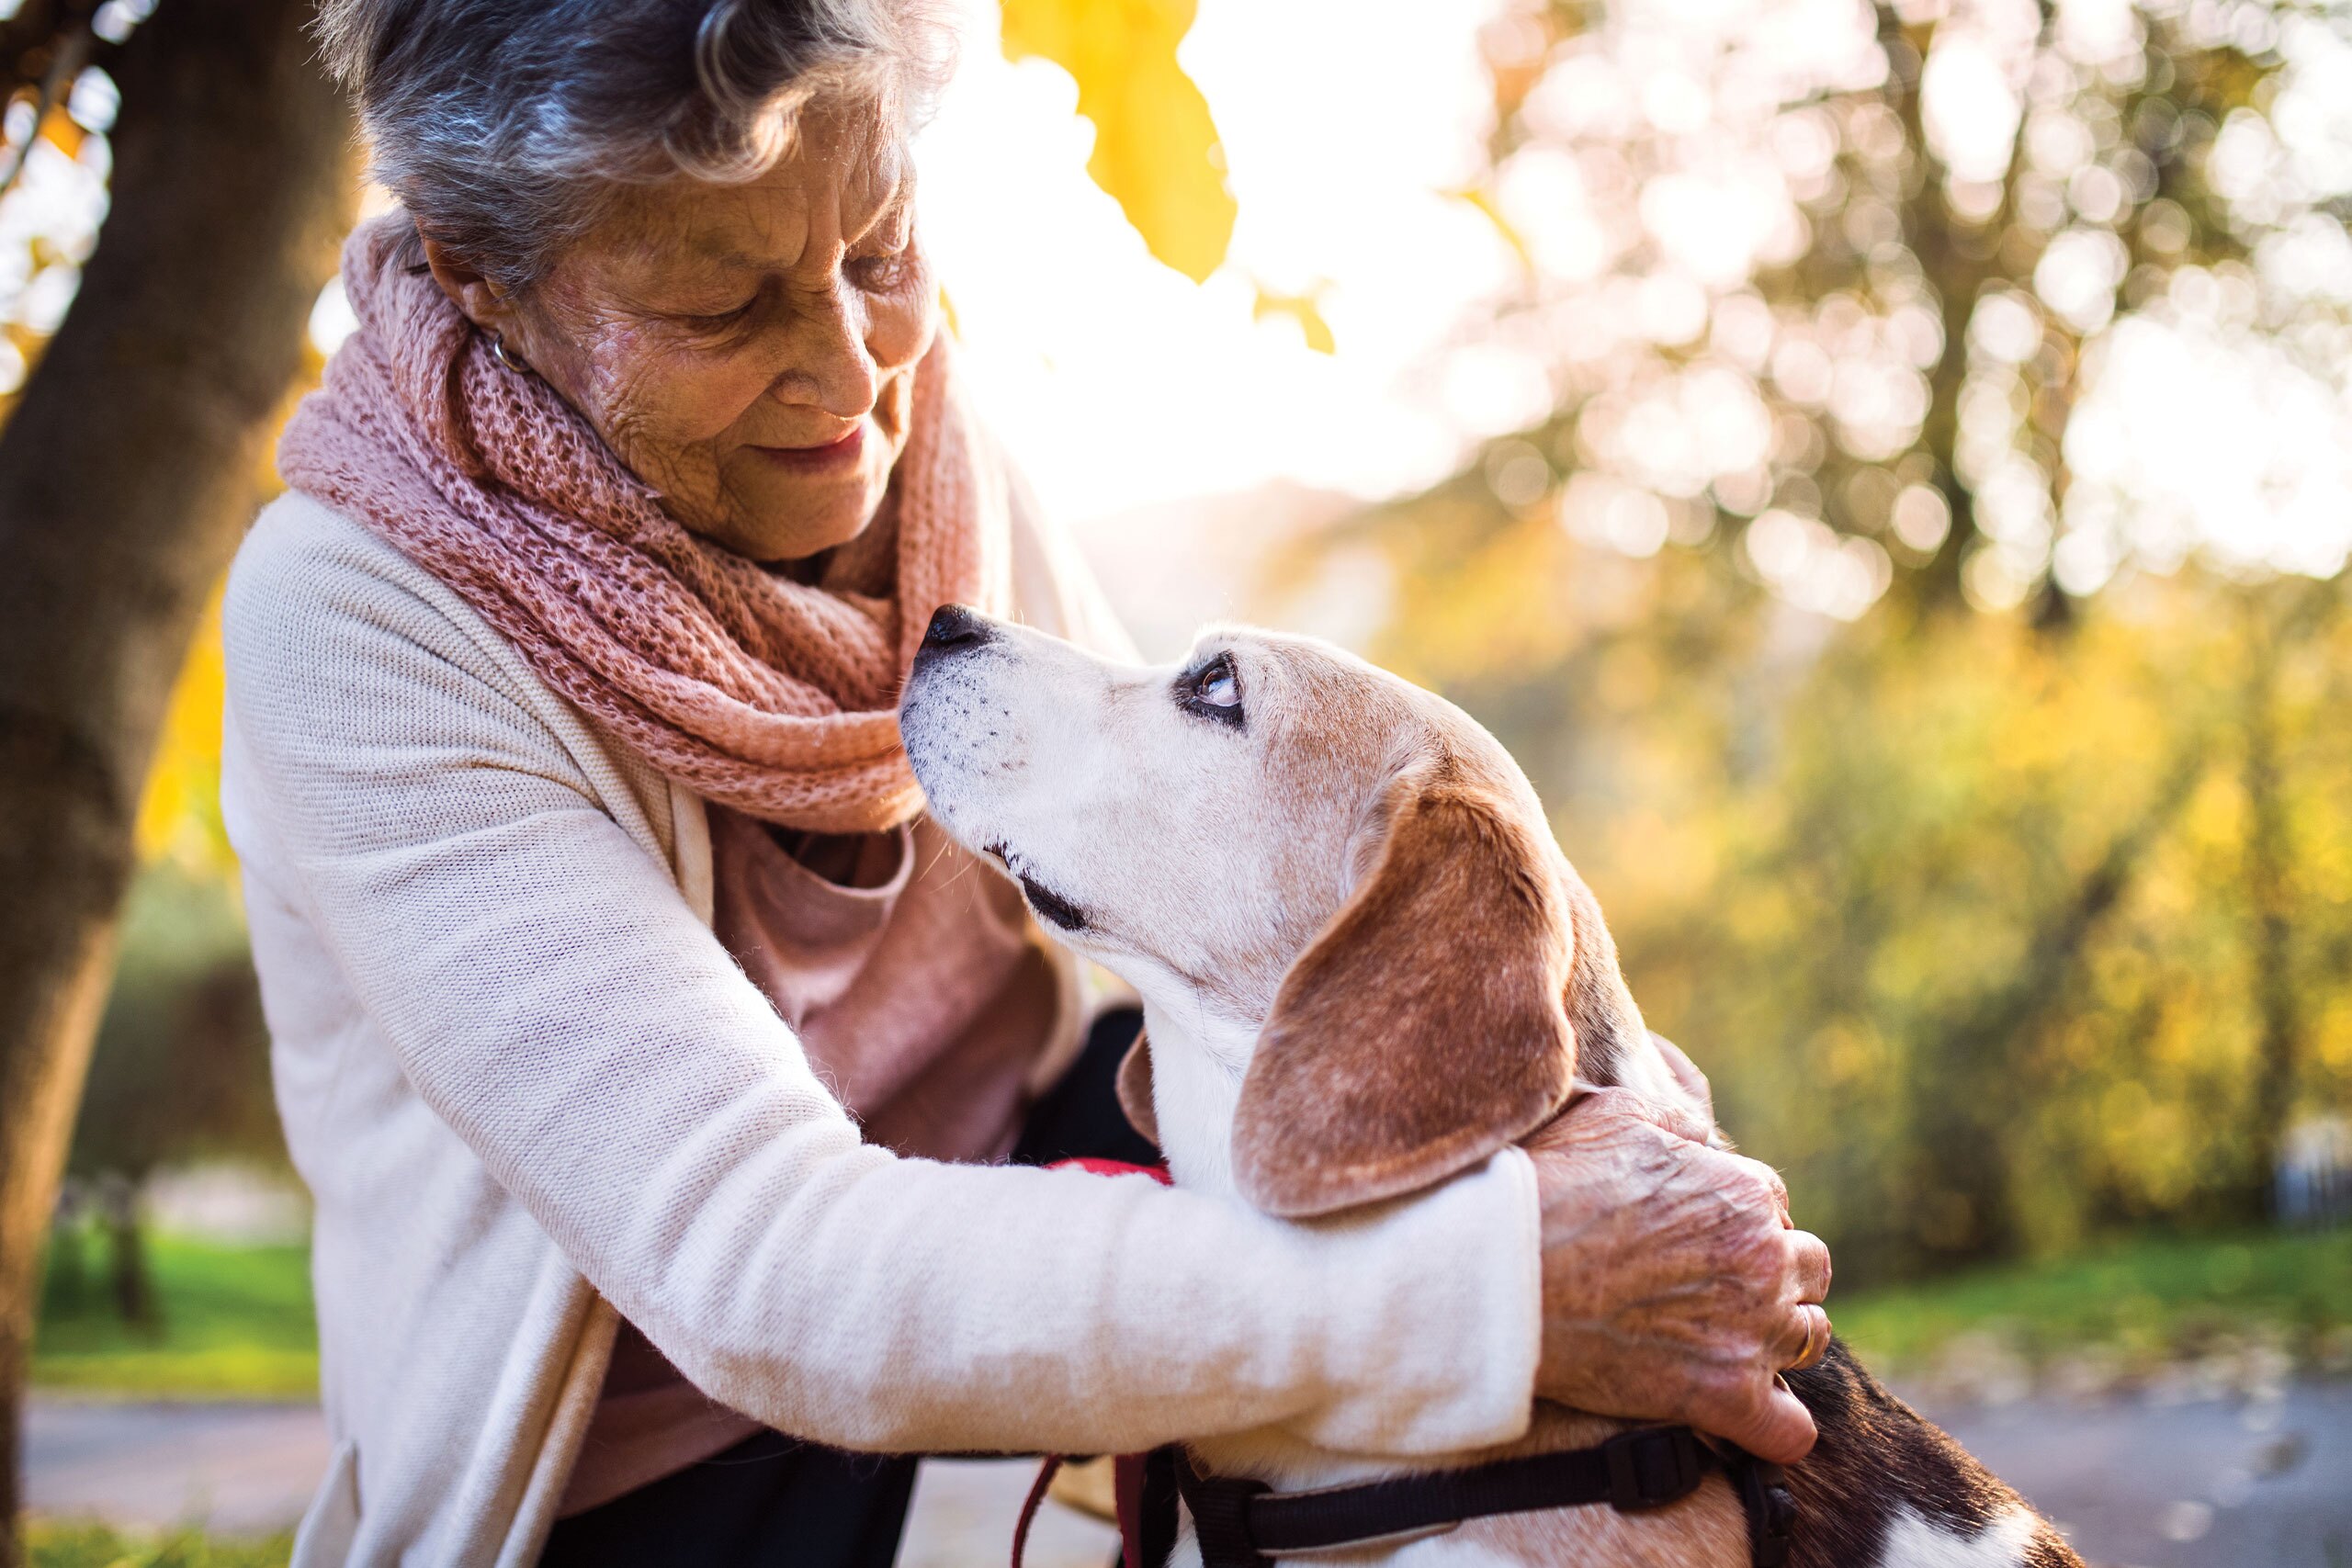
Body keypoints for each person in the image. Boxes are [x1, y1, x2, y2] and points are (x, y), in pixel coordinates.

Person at [220, 2, 1834, 1562]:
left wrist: (1623, 1159)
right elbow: (761, 1267)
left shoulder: (913, 424)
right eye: (723, 309)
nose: (855, 377)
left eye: (880, 251)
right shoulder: (354, 622)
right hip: (671, 1457)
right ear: (479, 277)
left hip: (1053, 1157)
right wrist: (1496, 1285)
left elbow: (1180, 869)